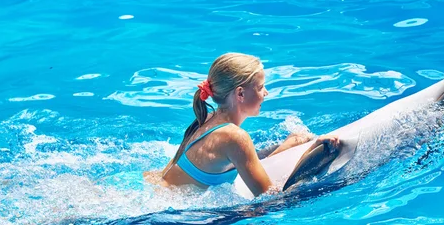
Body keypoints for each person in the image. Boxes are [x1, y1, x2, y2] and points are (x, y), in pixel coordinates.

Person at [144, 53, 339, 196]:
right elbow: (270, 198)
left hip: (152, 190)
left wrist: (286, 147)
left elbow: (242, 161)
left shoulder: (209, 117)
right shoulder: (235, 137)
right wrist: (312, 155)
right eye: (261, 87)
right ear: (240, 94)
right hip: (163, 213)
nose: (266, 93)